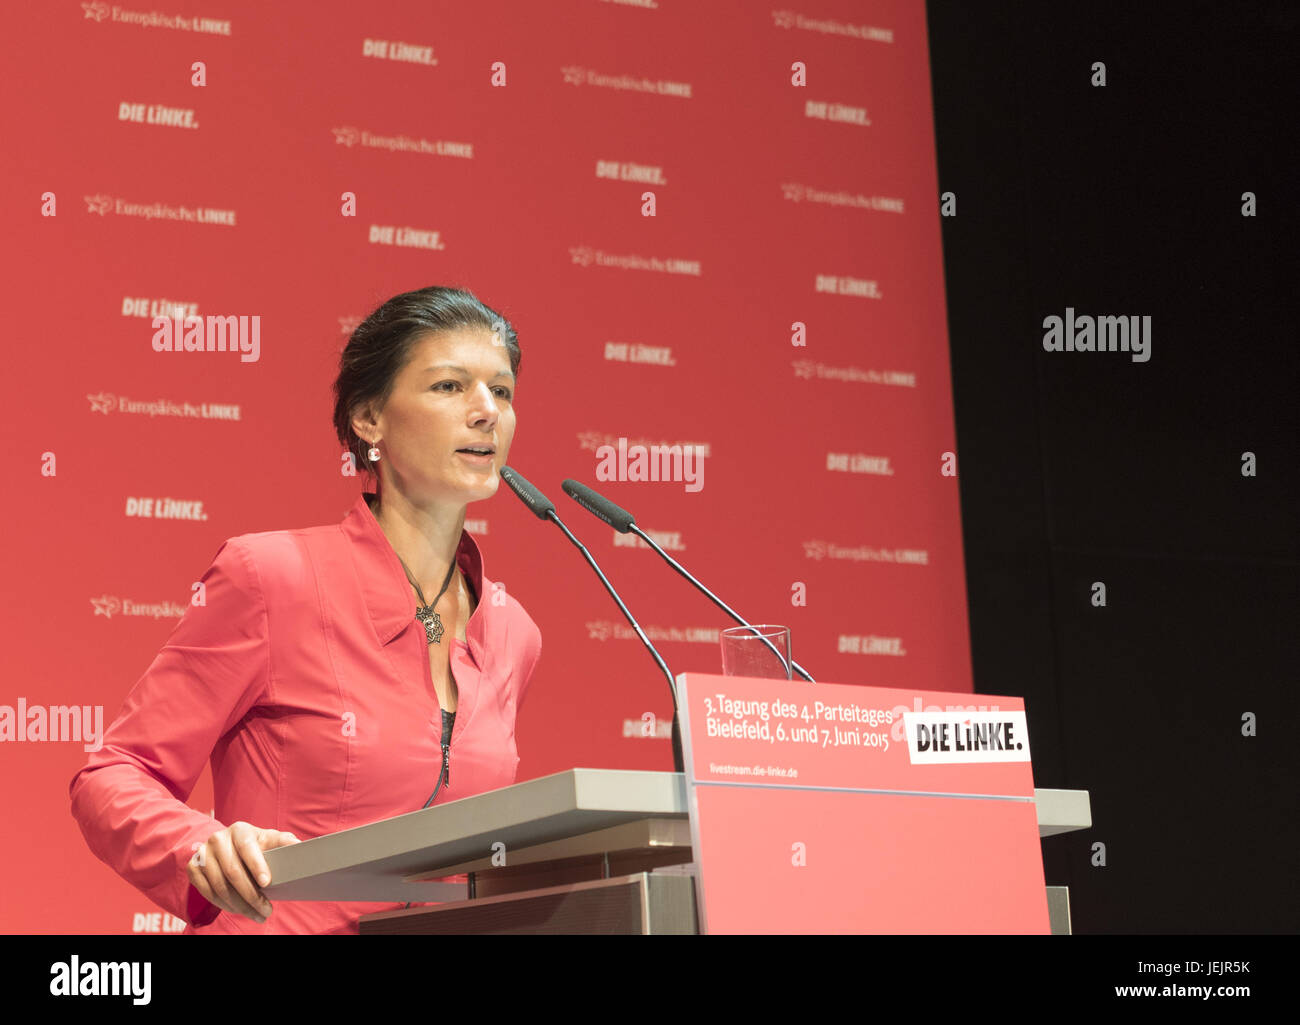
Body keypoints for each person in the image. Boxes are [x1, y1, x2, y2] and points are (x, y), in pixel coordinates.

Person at [69, 286, 542, 934]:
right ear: (369, 418)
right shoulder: (271, 579)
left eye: (503, 391)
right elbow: (113, 773)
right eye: (450, 387)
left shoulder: (512, 630)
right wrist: (198, 847)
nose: (486, 411)